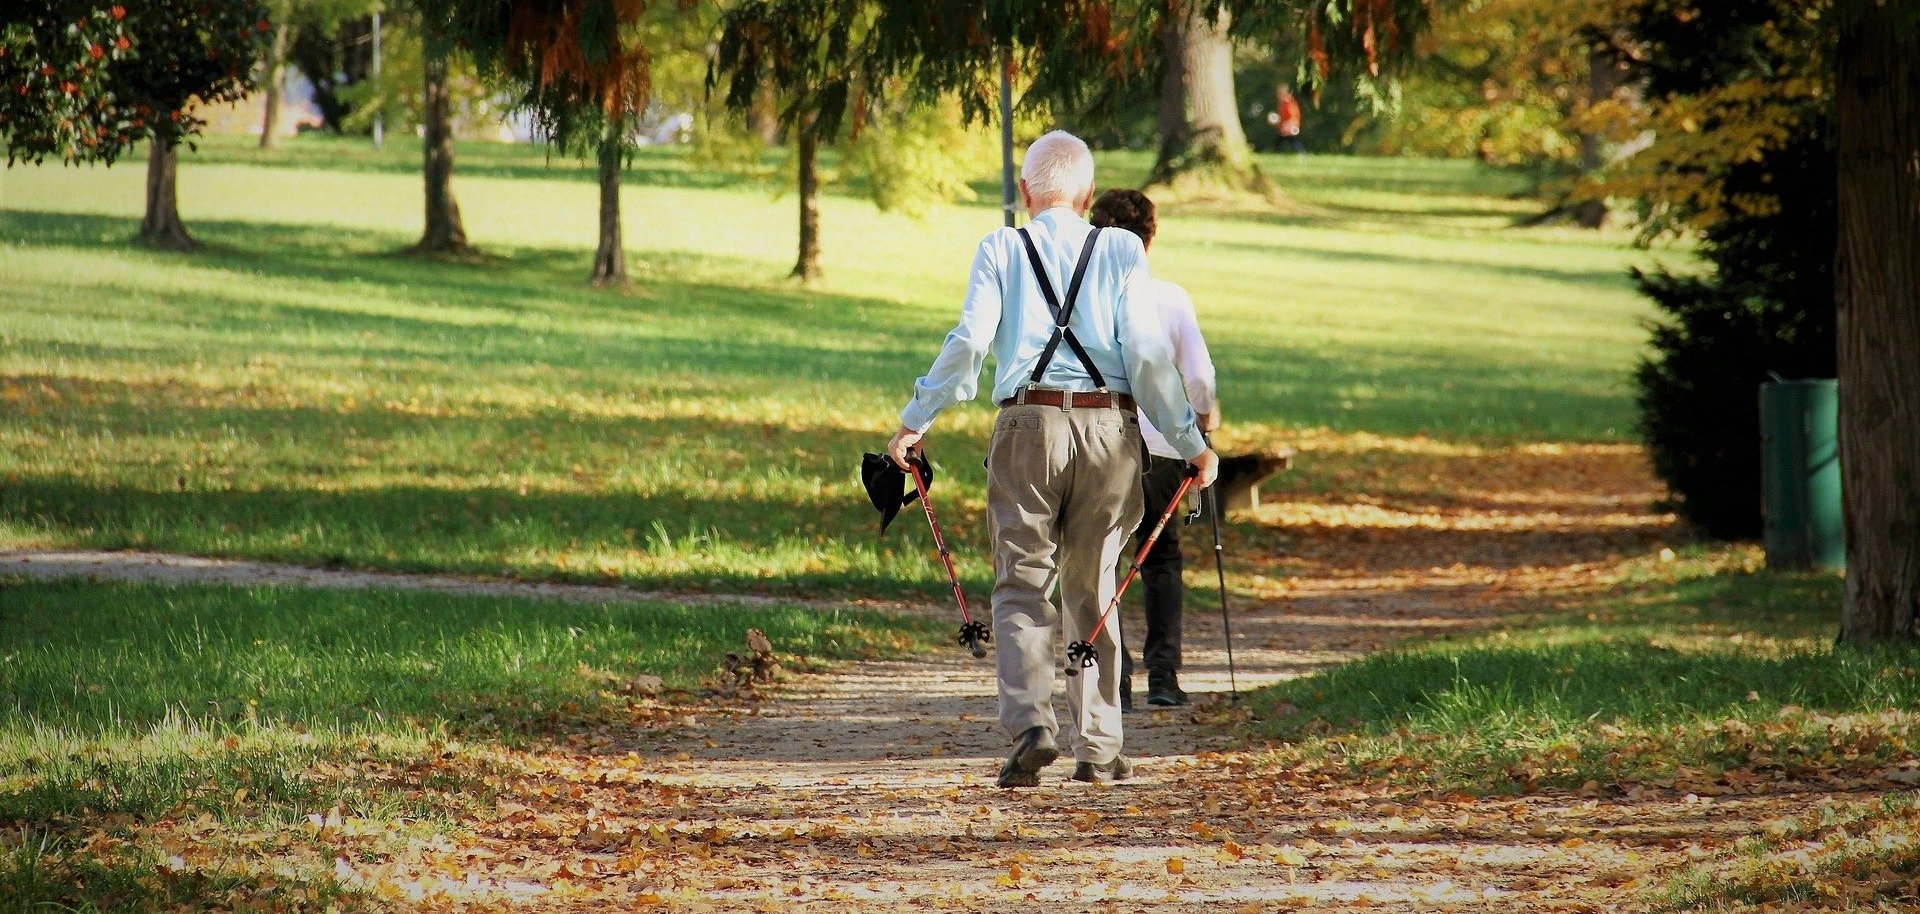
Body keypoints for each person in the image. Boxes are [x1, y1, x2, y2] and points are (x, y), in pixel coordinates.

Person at [886, 130, 1219, 788]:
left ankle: (1031, 726)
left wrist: (914, 421)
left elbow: (969, 342)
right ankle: (1099, 745)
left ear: (1024, 192)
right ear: (1088, 195)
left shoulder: (1000, 247)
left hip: (1026, 426)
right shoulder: (1122, 250)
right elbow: (1147, 358)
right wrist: (1191, 443)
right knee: (1094, 586)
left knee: (1020, 582)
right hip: (1109, 430)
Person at [1087, 189, 1218, 710]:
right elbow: (1199, 375)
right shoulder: (1170, 298)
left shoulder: (1086, 300)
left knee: (1104, 557)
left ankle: (1115, 678)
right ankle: (1163, 675)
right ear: (1151, 238)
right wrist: (1204, 418)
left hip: (1104, 441)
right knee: (1161, 556)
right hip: (1164, 444)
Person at [1272, 85, 1305, 155]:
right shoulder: (1282, 104)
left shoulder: (1288, 103)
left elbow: (1293, 116)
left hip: (1290, 127)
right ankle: (1278, 155)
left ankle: (1301, 154)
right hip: (1284, 127)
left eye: (1279, 94)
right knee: (1280, 141)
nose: (1278, 96)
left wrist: (1288, 126)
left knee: (1294, 141)